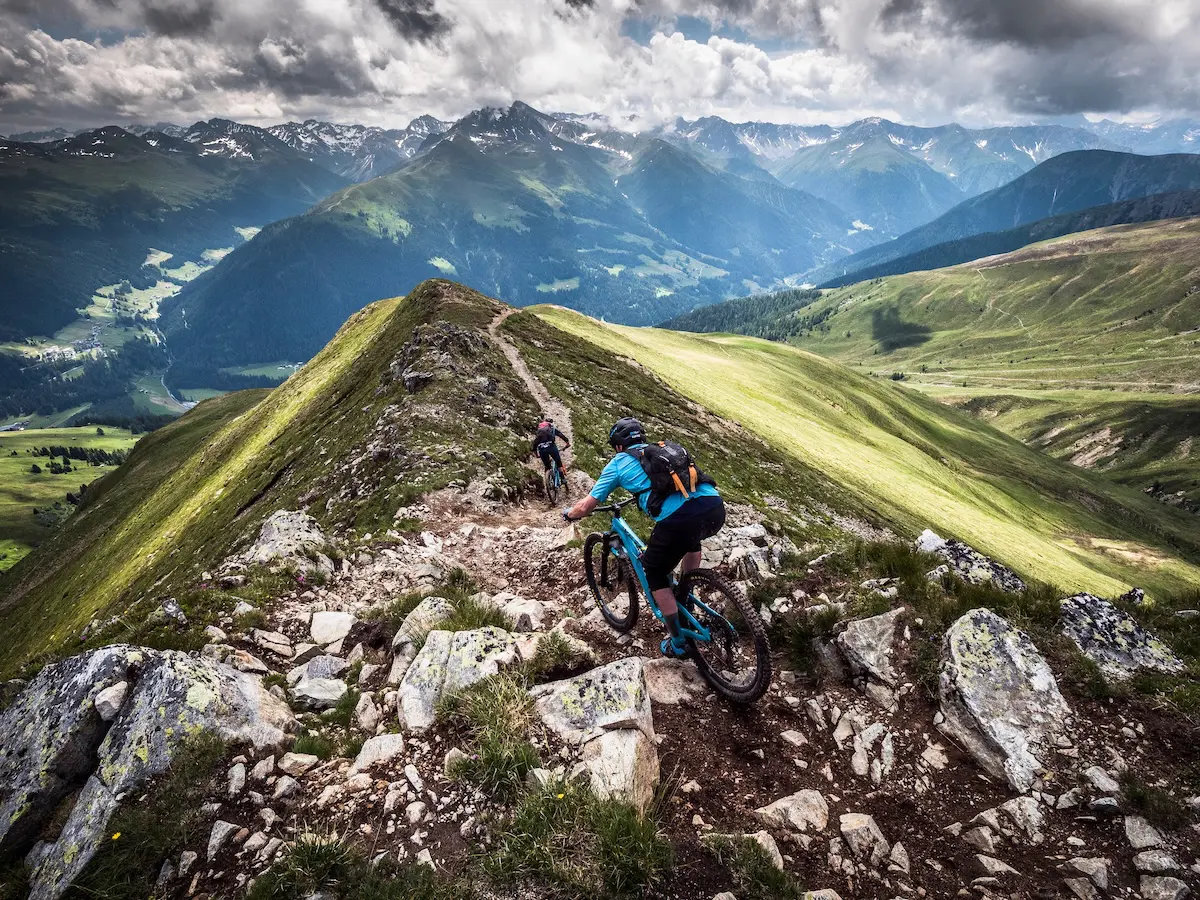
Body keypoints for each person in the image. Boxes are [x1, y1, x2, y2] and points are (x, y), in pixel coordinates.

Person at [564, 417, 724, 658]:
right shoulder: (661, 452)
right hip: (713, 505)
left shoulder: (619, 462)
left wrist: (570, 515)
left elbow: (587, 505)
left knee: (655, 573)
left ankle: (679, 643)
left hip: (678, 518)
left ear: (618, 445)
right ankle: (685, 592)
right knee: (689, 538)